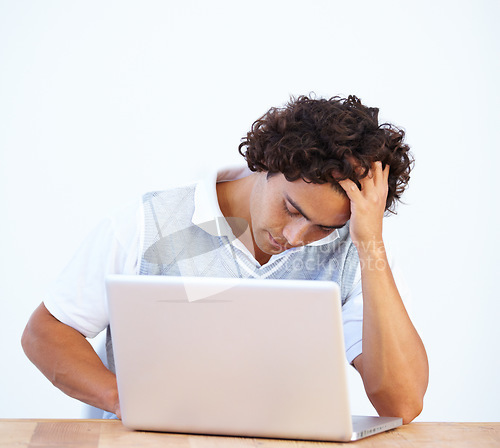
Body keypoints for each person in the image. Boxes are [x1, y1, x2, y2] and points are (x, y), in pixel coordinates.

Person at [22, 95, 428, 424]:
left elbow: (402, 403)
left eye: (323, 227)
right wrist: (123, 399)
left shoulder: (355, 250)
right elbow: (46, 333)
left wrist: (370, 241)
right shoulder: (149, 224)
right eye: (291, 209)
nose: (294, 238)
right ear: (268, 161)